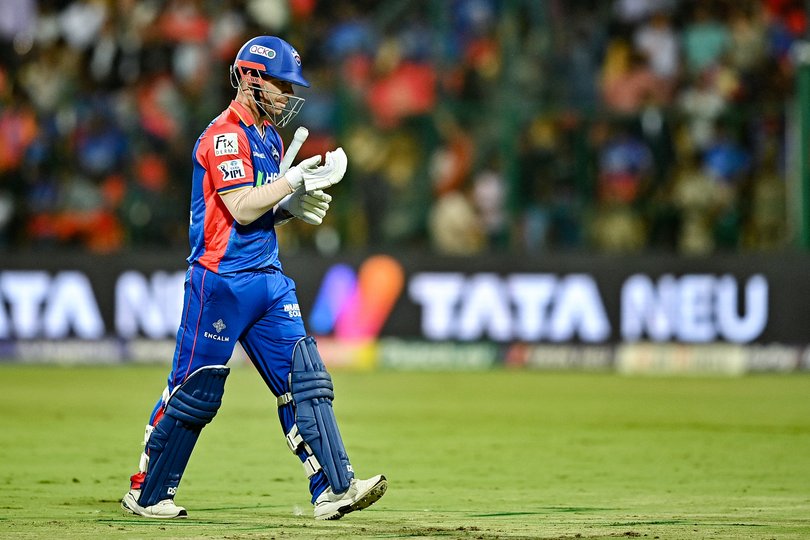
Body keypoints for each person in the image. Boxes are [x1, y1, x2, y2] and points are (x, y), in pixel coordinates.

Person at [120, 35, 387, 521]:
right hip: (219, 282)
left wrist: (287, 207)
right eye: (282, 85)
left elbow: (258, 209)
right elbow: (240, 209)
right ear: (251, 78)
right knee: (194, 390)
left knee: (306, 379)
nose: (288, 96)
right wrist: (290, 183)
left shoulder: (270, 137)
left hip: (267, 277)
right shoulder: (224, 135)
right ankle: (148, 491)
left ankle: (334, 488)